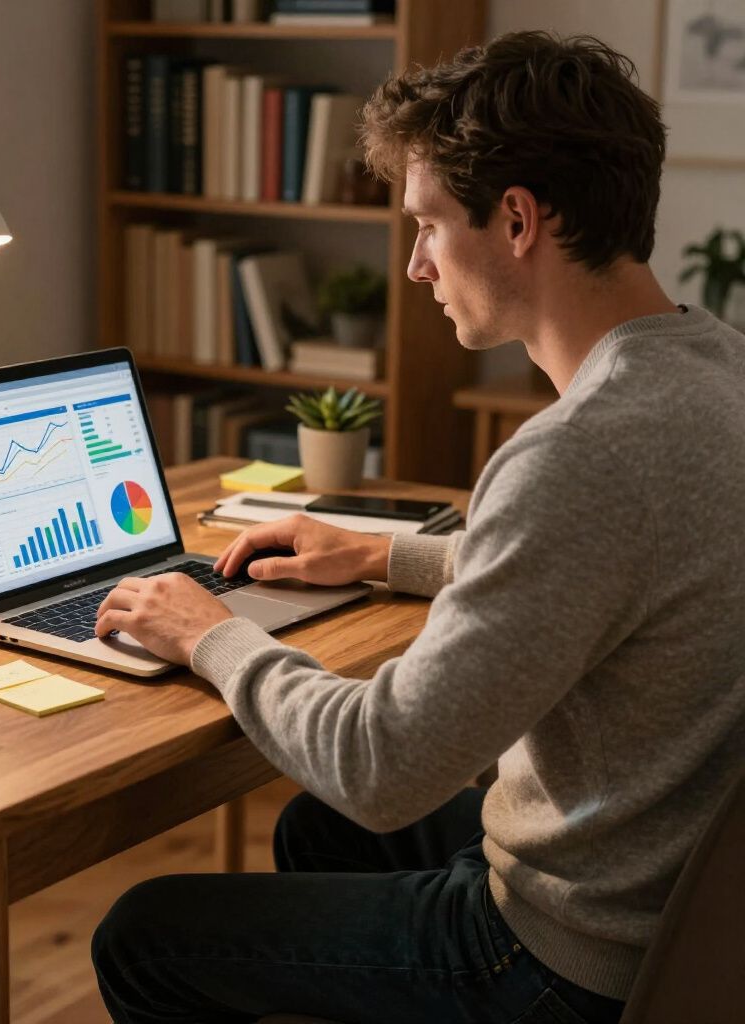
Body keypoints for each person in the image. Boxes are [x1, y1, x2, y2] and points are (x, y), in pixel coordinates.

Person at [90, 30, 745, 1024]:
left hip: (563, 962)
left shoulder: (577, 452)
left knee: (142, 933)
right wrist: (384, 554)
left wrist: (204, 634)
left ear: (517, 220)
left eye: (429, 225)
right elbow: (631, 565)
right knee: (320, 834)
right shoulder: (718, 368)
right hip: (683, 919)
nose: (413, 266)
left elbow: (382, 764)